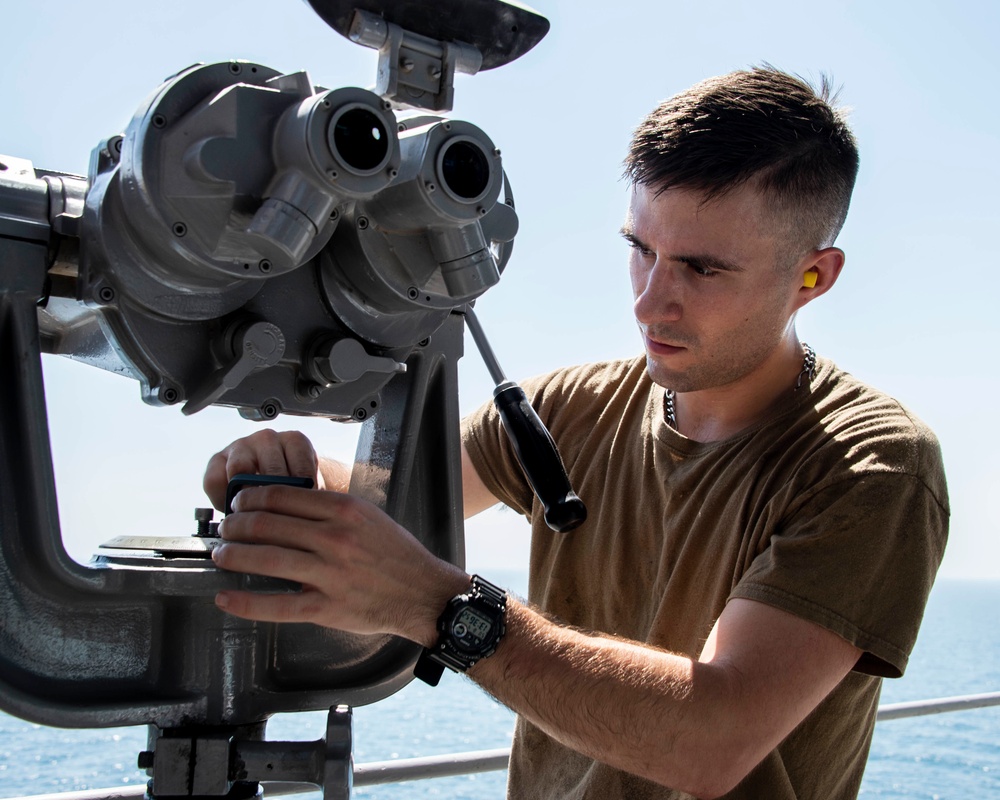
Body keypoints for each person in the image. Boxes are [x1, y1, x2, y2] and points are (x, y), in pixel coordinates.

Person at [204, 67, 949, 799]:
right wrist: (290, 479)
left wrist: (444, 609)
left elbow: (712, 738)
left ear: (812, 278)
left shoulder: (873, 465)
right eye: (641, 249)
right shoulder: (569, 409)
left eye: (702, 268)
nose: (651, 303)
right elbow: (401, 502)